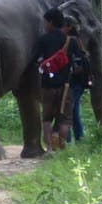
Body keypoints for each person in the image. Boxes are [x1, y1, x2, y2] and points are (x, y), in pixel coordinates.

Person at [34, 8, 71, 150]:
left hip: (47, 85)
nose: (44, 25)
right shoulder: (68, 41)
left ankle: (49, 148)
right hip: (66, 85)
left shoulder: (43, 39)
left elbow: (36, 59)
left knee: (47, 119)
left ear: (50, 22)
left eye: (45, 22)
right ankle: (61, 148)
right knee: (64, 120)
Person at [65, 20, 92, 143]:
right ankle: (78, 137)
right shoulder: (78, 40)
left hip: (75, 82)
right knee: (74, 109)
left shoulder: (71, 41)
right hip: (79, 82)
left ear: (69, 27)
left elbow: (76, 63)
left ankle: (69, 139)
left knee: (69, 110)